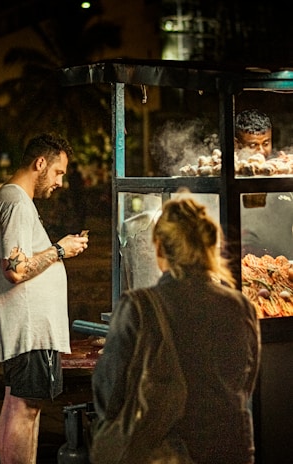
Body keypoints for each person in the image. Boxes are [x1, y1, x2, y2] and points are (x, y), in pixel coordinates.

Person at [91, 194, 261, 464]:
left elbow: (108, 397)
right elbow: (246, 382)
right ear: (210, 244)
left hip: (166, 453)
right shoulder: (241, 306)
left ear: (159, 248)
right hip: (232, 450)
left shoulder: (138, 307)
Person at [0, 133, 89, 464]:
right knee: (23, 408)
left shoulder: (14, 200)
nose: (59, 182)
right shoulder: (14, 202)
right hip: (28, 329)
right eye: (58, 172)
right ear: (40, 163)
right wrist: (60, 249)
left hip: (28, 329)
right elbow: (14, 269)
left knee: (22, 404)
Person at [235, 109, 293, 258]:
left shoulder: (282, 173)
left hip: (285, 267)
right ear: (237, 144)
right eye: (253, 145)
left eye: (266, 143)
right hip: (242, 266)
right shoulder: (231, 177)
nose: (261, 151)